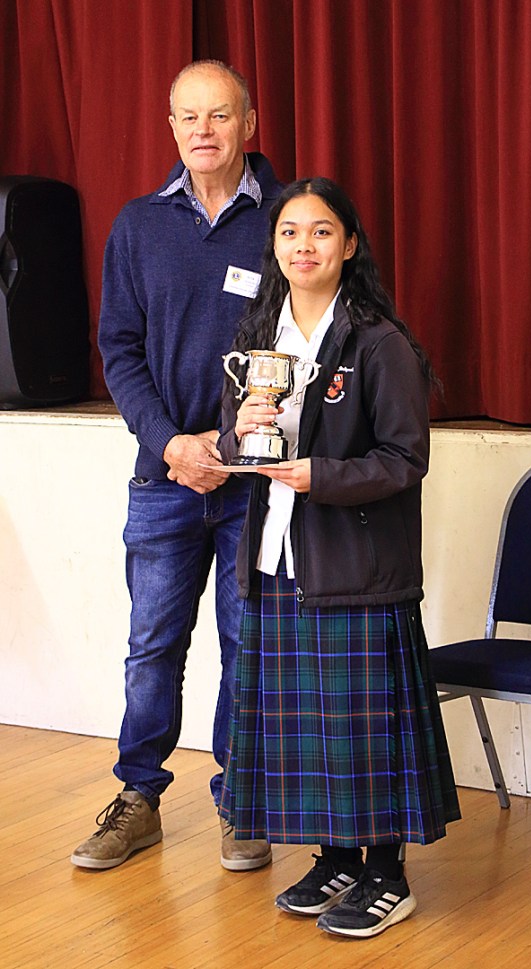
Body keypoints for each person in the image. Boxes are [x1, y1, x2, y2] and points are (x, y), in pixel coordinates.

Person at [217, 177, 461, 939]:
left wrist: (322, 476)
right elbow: (231, 445)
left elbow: (404, 458)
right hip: (276, 558)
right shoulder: (261, 336)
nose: (304, 247)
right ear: (275, 246)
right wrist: (239, 434)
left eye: (321, 232)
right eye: (290, 233)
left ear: (349, 245)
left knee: (362, 726)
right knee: (312, 728)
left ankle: (386, 873)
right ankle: (335, 859)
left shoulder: (377, 340)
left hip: (355, 565)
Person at [71, 60, 282, 872]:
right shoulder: (138, 225)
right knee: (152, 646)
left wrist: (231, 450)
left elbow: (309, 345)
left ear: (249, 123)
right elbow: (118, 350)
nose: (203, 130)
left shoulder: (289, 221)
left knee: (247, 643)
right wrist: (173, 444)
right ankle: (138, 800)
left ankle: (240, 799)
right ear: (170, 129)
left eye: (219, 115)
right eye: (187, 117)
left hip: (254, 484)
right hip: (164, 477)